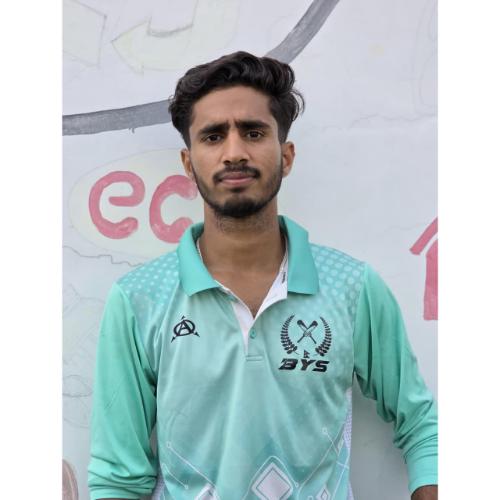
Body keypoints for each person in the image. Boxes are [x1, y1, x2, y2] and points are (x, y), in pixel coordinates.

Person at [88, 51, 438, 500]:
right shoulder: (140, 299)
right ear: (189, 163)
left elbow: (421, 423)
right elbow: (118, 478)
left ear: (286, 155)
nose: (234, 152)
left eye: (253, 132)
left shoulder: (352, 287)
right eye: (213, 136)